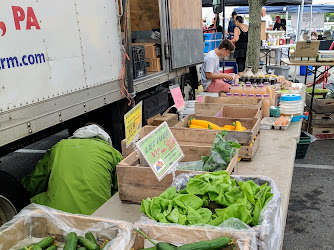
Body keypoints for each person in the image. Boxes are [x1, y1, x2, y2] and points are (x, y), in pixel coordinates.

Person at [21, 124, 123, 215]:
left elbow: (37, 179)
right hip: (98, 215)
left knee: (37, 198)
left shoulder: (58, 147)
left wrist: (21, 191)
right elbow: (122, 188)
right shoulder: (112, 152)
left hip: (58, 216)